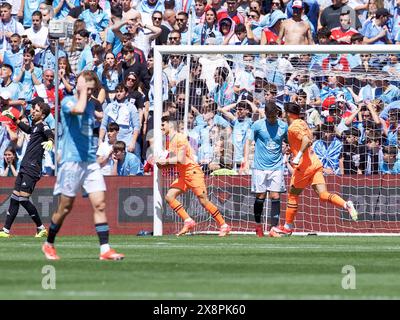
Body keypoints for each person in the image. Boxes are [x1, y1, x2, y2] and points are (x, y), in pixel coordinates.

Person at [41, 71, 124, 261]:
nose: (89, 87)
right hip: (71, 162)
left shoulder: (90, 105)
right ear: (78, 83)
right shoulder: (68, 101)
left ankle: (105, 249)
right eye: (85, 82)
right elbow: (78, 109)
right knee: (65, 207)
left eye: (91, 84)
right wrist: (85, 93)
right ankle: (49, 244)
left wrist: (97, 102)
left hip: (90, 162)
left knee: (100, 204)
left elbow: (98, 113)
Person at [269, 103, 359, 237]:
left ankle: (287, 227)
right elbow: (309, 138)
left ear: (288, 113)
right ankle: (346, 204)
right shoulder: (303, 123)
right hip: (315, 162)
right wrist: (293, 149)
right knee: (323, 195)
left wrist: (297, 155)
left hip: (304, 166)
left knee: (293, 195)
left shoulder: (293, 126)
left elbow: (306, 140)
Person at [155, 115, 231, 237]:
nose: (160, 127)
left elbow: (180, 159)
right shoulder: (170, 140)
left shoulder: (180, 138)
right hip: (183, 174)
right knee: (169, 197)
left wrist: (165, 162)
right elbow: (172, 162)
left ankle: (224, 225)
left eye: (163, 124)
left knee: (203, 201)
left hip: (192, 172)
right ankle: (188, 221)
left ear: (170, 124)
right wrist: (159, 163)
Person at [0, 102, 53, 238]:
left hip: (33, 168)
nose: (33, 112)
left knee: (23, 199)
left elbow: (49, 133)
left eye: (36, 110)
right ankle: (5, 230)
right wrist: (13, 117)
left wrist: (51, 141)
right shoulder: (35, 127)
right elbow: (27, 129)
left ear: (43, 115)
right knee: (14, 198)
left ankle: (41, 228)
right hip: (25, 166)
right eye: (33, 109)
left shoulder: (43, 125)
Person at [243, 102, 288, 237]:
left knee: (275, 195)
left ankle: (274, 228)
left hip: (277, 166)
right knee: (260, 196)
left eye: (273, 117)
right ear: (266, 114)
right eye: (269, 117)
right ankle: (258, 225)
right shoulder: (257, 125)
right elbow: (248, 141)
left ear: (277, 114)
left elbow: (288, 141)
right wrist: (245, 160)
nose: (271, 119)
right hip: (259, 167)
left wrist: (288, 148)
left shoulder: (283, 126)